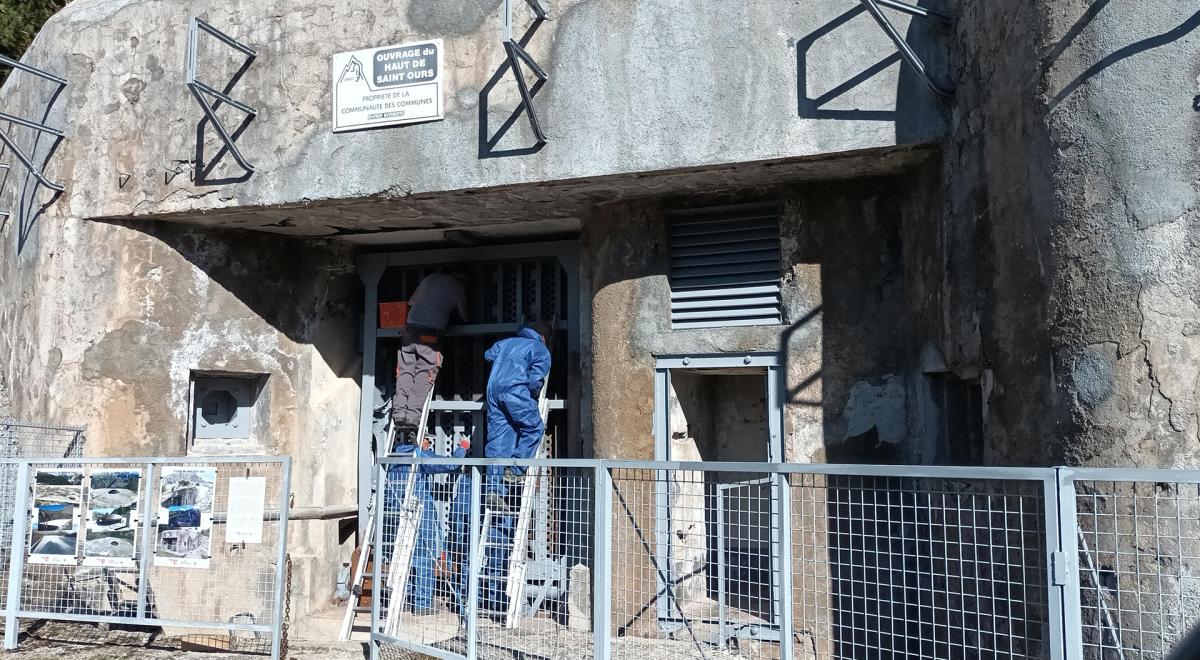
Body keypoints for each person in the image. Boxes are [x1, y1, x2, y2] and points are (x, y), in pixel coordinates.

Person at [476, 320, 552, 613]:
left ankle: (494, 488)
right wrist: (530, 392)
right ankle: (516, 471)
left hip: (492, 391)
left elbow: (488, 354)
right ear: (543, 336)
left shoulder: (507, 343)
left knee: (498, 442)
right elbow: (535, 380)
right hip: (514, 390)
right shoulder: (539, 349)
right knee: (534, 427)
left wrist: (506, 361)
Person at [383, 433, 471, 615]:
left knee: (403, 557)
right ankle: (422, 604)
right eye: (427, 440)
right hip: (419, 513)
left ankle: (404, 600)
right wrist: (462, 447)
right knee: (423, 557)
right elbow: (451, 464)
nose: (429, 443)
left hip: (395, 514)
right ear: (419, 439)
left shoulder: (394, 456)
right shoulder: (419, 455)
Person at [392, 271, 470, 444]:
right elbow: (464, 316)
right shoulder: (458, 287)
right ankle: (411, 418)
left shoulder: (429, 278)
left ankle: (399, 414)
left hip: (410, 330)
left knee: (404, 372)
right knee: (424, 375)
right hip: (430, 335)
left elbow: (411, 302)